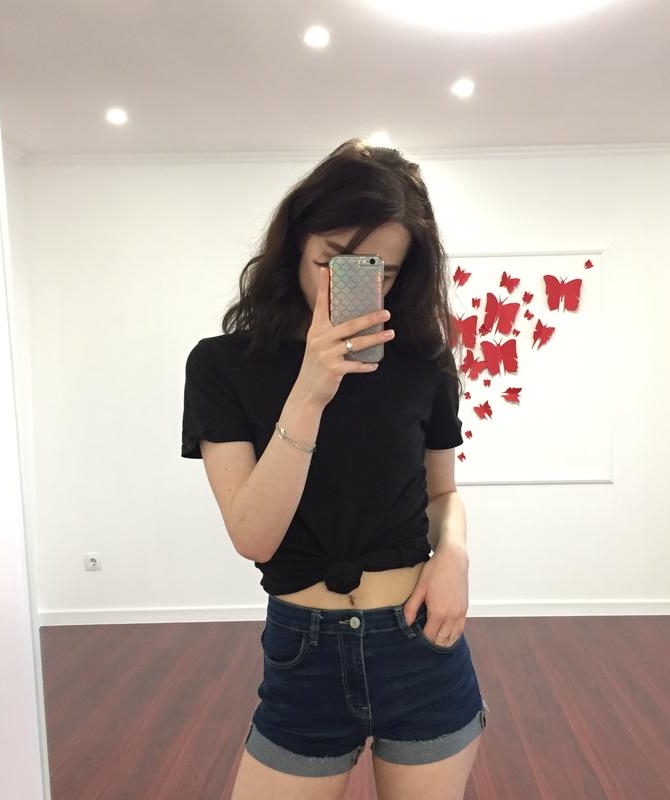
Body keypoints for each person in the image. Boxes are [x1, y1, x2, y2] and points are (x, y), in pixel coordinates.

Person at [181, 138, 488, 799]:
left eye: (381, 271)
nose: (349, 284)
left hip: (420, 643)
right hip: (304, 655)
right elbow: (254, 536)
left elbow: (443, 493)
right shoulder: (220, 366)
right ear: (295, 242)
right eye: (332, 260)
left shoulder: (424, 366)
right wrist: (311, 388)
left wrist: (454, 555)